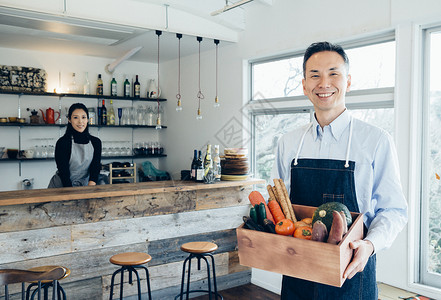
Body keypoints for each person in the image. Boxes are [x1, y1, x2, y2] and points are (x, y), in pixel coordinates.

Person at [271, 42, 408, 299]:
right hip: (298, 270)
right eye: (315, 75)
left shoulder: (376, 140)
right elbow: (278, 204)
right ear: (304, 85)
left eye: (333, 73)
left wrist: (369, 244)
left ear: (348, 81)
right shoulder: (288, 142)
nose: (324, 83)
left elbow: (394, 210)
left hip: (351, 271)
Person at [48, 103, 102, 188]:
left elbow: (95, 167)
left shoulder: (96, 142)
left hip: (86, 186)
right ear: (69, 119)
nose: (80, 122)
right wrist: (72, 193)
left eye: (83, 117)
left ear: (88, 119)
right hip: (62, 187)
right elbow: (63, 172)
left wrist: (90, 189)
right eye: (75, 117)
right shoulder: (63, 142)